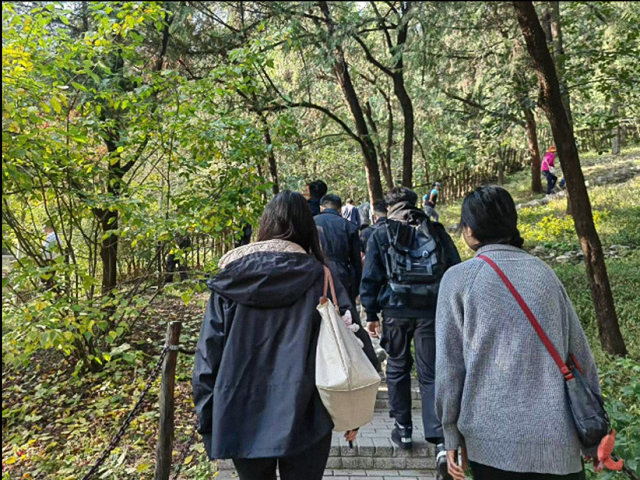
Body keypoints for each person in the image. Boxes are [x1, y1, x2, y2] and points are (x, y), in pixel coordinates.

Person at [193, 190, 378, 480]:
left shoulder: (231, 280)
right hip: (308, 413)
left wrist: (208, 420)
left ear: (265, 226)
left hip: (241, 410)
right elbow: (354, 345)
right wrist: (353, 410)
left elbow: (208, 356)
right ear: (307, 229)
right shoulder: (321, 277)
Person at [435, 185, 599, 480]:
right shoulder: (544, 274)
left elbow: (450, 368)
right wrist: (594, 432)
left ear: (469, 230)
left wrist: (450, 434)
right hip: (558, 443)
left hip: (492, 444)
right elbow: (580, 357)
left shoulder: (458, 280)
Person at [360, 187, 461, 480]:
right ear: (414, 203)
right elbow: (454, 268)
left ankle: (403, 429)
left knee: (397, 367)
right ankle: (439, 441)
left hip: (395, 310)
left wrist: (370, 313)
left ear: (389, 207)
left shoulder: (381, 232)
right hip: (430, 310)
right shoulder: (435, 230)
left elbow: (371, 276)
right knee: (430, 374)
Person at [314, 194, 362, 306]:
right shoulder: (350, 226)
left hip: (317, 271)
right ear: (340, 209)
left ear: (321, 208)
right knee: (344, 309)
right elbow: (356, 260)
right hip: (342, 272)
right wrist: (358, 286)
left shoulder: (311, 223)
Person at [41, 224, 62, 290]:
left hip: (49, 260)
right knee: (50, 278)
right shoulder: (57, 237)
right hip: (54, 260)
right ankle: (53, 290)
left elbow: (46, 251)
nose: (44, 231)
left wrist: (40, 258)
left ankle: (51, 290)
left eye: (45, 229)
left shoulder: (52, 237)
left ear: (50, 228)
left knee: (46, 279)